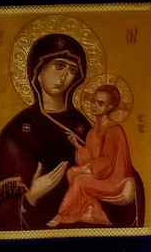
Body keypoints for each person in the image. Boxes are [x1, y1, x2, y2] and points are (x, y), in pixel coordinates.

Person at [0, 33, 143, 232]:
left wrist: (129, 187)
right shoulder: (17, 132)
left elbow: (117, 170)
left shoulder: (84, 125)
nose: (64, 77)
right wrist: (32, 196)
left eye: (72, 70)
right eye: (59, 66)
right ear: (38, 70)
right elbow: (1, 212)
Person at [52, 79, 136, 228]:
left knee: (80, 180)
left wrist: (88, 169)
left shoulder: (113, 130)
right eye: (93, 101)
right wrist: (76, 145)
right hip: (100, 175)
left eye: (100, 103)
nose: (94, 105)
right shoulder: (92, 132)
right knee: (71, 172)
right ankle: (90, 209)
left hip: (115, 180)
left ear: (110, 107)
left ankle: (63, 215)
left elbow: (108, 161)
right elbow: (89, 158)